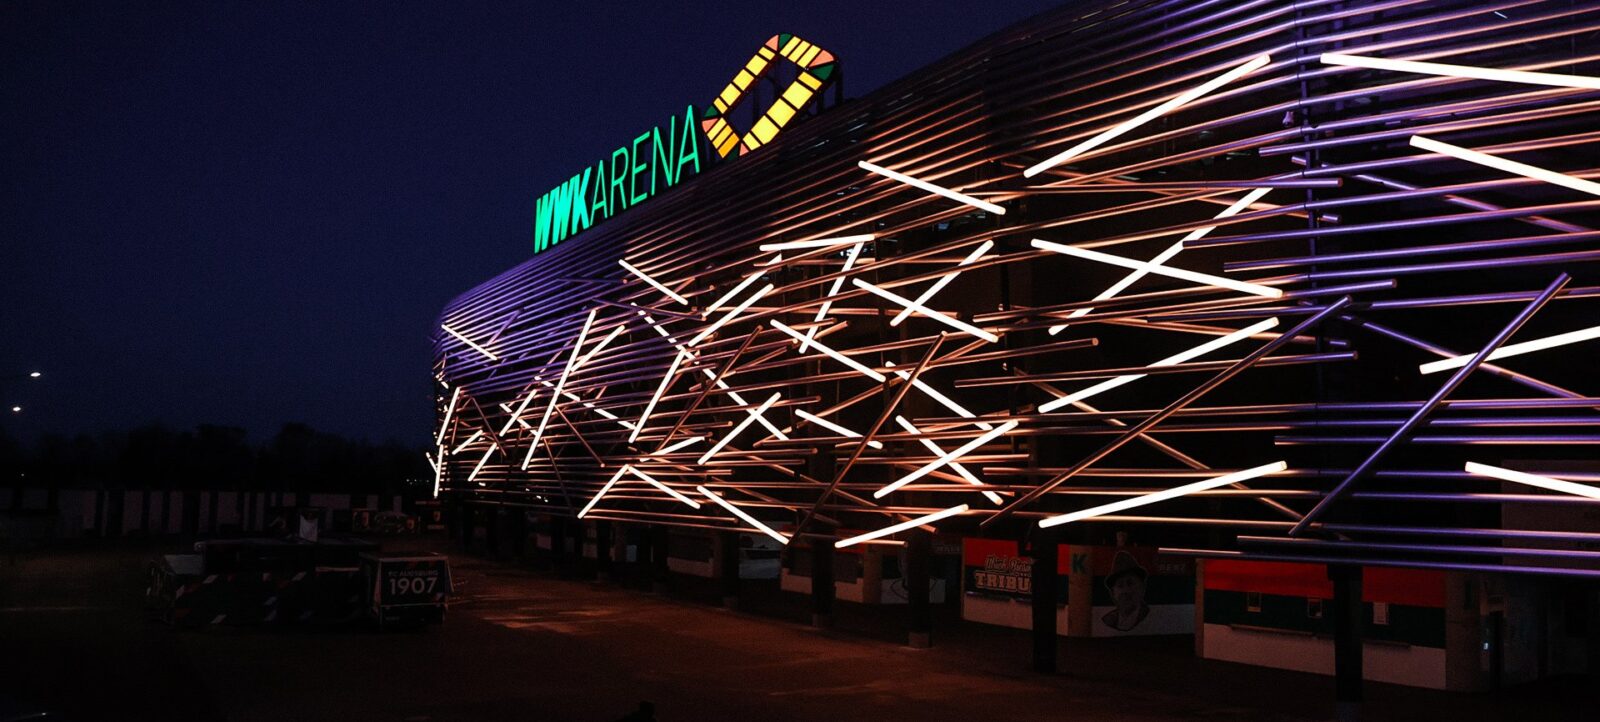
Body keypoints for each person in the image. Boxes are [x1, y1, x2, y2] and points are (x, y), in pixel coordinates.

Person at [1101, 550, 1150, 632]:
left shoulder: (1150, 616)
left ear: (1142, 587)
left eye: (1130, 583)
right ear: (1113, 593)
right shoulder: (1107, 621)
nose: (1126, 591)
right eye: (1120, 585)